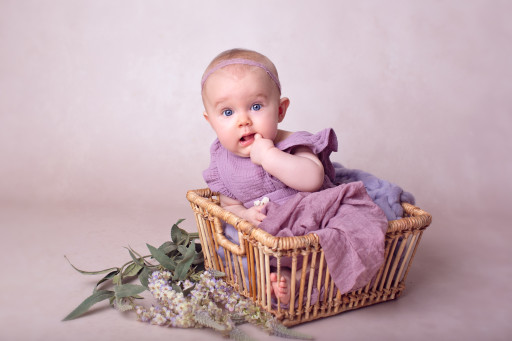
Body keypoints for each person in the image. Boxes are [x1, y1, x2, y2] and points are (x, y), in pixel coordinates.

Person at [201, 48, 389, 305]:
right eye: (227, 112)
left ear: (280, 110)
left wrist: (269, 157)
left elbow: (312, 179)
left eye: (256, 107)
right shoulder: (221, 163)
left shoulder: (292, 142)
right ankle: (289, 278)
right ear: (210, 121)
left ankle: (309, 277)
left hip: (315, 219)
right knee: (245, 251)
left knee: (348, 228)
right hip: (271, 235)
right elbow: (229, 204)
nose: (243, 120)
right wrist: (244, 216)